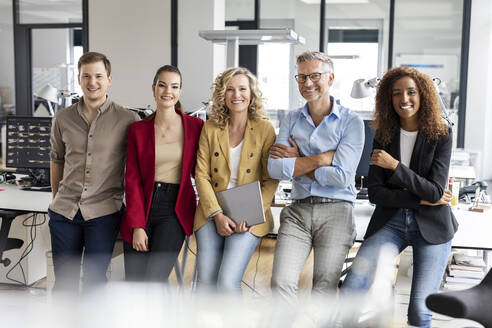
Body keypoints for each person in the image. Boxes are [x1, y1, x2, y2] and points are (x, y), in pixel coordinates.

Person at [342, 66, 458, 328]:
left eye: (411, 92)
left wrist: (394, 166)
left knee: (419, 308)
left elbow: (436, 192)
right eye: (396, 93)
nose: (404, 99)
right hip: (390, 222)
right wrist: (418, 198)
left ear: (423, 95)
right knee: (352, 289)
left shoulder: (441, 134)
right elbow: (376, 193)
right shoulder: (383, 135)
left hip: (433, 225)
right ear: (388, 98)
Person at [267, 51, 364, 304]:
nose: (307, 83)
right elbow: (274, 169)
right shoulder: (291, 118)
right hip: (298, 210)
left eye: (314, 76)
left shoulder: (351, 122)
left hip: (337, 211)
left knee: (323, 288)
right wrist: (321, 159)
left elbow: (342, 178)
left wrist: (298, 161)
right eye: (301, 77)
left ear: (330, 78)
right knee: (280, 283)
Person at [49, 52, 139, 292]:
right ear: (78, 79)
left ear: (109, 79)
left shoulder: (128, 119)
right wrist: (57, 198)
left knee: (95, 282)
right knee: (64, 283)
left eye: (98, 76)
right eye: (86, 76)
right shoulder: (62, 118)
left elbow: (135, 169)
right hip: (65, 213)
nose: (92, 82)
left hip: (103, 212)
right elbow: (56, 160)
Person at [194, 67, 278, 293]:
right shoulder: (210, 127)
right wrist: (217, 215)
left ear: (251, 93)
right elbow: (201, 174)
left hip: (249, 213)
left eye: (242, 89)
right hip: (212, 210)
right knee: (205, 283)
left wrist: (250, 215)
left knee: (227, 282)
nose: (236, 95)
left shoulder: (265, 129)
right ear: (223, 94)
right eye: (230, 89)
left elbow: (271, 179)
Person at [120, 65, 203, 282]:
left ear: (180, 91)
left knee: (154, 279)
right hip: (143, 205)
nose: (168, 91)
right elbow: (132, 180)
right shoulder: (138, 130)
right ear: (154, 88)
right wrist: (137, 225)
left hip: (174, 209)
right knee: (135, 282)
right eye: (162, 85)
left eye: (174, 86)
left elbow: (207, 166)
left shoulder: (196, 127)